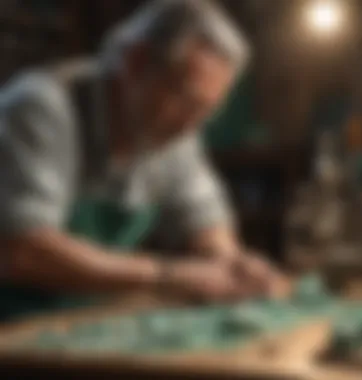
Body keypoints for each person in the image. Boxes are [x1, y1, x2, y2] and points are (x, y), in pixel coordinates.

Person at [0, 0, 278, 320]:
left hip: (71, 327)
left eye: (206, 112)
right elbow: (22, 252)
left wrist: (231, 264)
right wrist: (167, 275)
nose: (191, 125)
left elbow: (206, 219)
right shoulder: (41, 108)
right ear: (135, 62)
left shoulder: (174, 132)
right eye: (186, 101)